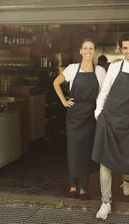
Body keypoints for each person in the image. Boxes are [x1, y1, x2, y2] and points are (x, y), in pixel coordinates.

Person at [92, 33, 129, 220]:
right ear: (121, 49)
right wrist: (98, 112)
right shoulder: (114, 68)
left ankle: (127, 179)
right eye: (125, 48)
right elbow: (103, 93)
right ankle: (105, 202)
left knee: (127, 157)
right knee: (104, 163)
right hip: (108, 119)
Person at [53, 38, 106, 201]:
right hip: (74, 114)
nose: (88, 51)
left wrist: (99, 110)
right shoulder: (72, 68)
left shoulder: (100, 71)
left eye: (91, 48)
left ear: (94, 51)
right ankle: (73, 185)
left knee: (87, 150)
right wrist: (63, 101)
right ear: (80, 51)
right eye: (85, 48)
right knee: (74, 150)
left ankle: (83, 188)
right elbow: (56, 82)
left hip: (91, 113)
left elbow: (104, 94)